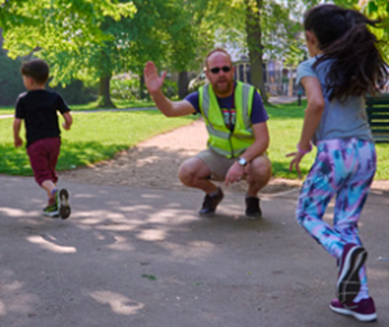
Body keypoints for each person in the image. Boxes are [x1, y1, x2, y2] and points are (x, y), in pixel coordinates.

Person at [287, 4, 388, 322]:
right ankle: (360, 301)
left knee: (306, 213)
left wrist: (304, 145)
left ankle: (342, 252)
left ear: (310, 36)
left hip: (335, 153)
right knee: (345, 224)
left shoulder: (310, 66)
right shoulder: (352, 65)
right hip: (365, 151)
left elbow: (315, 103)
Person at [144, 48, 272, 218]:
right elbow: (171, 110)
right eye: (215, 70)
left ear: (233, 71)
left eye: (226, 69)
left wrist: (242, 161)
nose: (221, 74)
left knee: (262, 168)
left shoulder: (250, 94)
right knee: (186, 172)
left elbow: (263, 140)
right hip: (217, 154)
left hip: (248, 156)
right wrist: (156, 93)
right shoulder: (202, 96)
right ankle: (213, 194)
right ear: (207, 73)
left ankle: (252, 197)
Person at [13, 59, 73, 219]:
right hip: (54, 141)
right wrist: (67, 125)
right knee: (50, 172)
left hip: (36, 143)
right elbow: (68, 116)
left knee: (42, 175)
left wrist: (17, 137)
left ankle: (55, 192)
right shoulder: (55, 96)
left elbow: (17, 122)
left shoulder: (23, 99)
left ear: (30, 80)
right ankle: (52, 206)